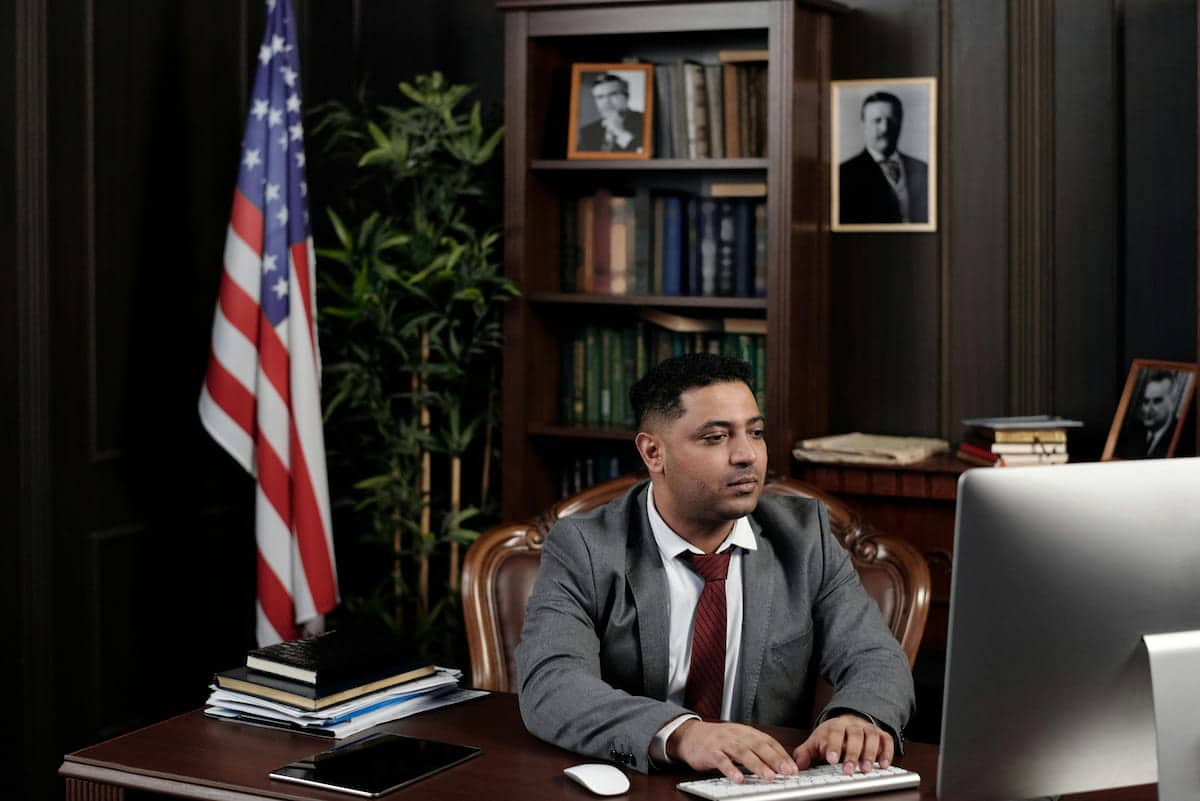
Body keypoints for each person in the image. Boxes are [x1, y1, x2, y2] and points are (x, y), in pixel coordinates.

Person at [516, 353, 914, 782]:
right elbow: (551, 684)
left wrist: (856, 717)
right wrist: (682, 734)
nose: (746, 455)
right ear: (653, 452)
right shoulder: (586, 546)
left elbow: (874, 656)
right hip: (643, 782)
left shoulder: (805, 538)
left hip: (763, 785)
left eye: (756, 433)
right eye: (715, 437)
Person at [839, 91, 928, 224]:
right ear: (863, 124)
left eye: (891, 120)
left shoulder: (923, 169)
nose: (885, 128)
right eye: (877, 120)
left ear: (901, 122)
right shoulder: (844, 174)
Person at [1113, 369, 1179, 459]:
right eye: (1146, 401)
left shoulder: (1181, 436)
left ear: (1172, 403)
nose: (1148, 409)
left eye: (1157, 401)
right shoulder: (1134, 429)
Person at [576, 73, 645, 153]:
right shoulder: (587, 132)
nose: (606, 102)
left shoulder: (645, 121)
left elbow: (645, 155)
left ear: (627, 97)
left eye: (613, 94)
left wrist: (621, 133)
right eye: (600, 97)